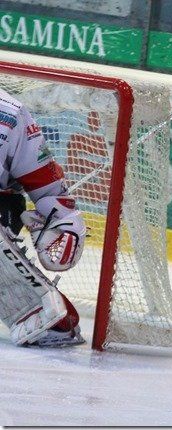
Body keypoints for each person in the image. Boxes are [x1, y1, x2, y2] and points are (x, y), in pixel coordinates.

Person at [0, 88, 86, 347]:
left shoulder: (9, 113)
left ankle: (33, 307)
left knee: (55, 324)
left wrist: (62, 221)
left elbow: (48, 188)